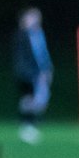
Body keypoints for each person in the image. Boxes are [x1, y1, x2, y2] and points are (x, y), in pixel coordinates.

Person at [13, 7, 52, 145]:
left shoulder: (39, 34)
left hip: (38, 73)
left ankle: (32, 124)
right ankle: (27, 126)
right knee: (27, 98)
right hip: (26, 73)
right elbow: (24, 57)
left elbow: (42, 55)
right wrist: (33, 72)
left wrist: (46, 70)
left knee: (40, 100)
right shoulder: (22, 34)